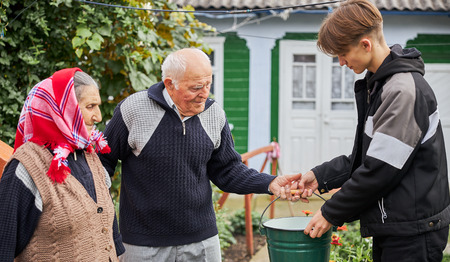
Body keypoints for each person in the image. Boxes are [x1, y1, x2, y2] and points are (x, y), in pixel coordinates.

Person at [99, 47, 302, 261]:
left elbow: (228, 170)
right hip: (142, 245)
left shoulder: (214, 114)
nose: (204, 93)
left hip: (202, 242)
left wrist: (270, 183)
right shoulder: (133, 110)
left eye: (208, 84)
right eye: (196, 87)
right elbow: (102, 162)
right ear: (170, 84)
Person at [296, 0, 450, 261]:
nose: (342, 63)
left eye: (343, 54)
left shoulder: (401, 90)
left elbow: (380, 169)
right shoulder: (380, 85)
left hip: (412, 232)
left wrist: (330, 212)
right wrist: (319, 176)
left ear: (365, 44)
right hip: (397, 226)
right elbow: (366, 159)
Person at [0, 68, 125, 261]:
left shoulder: (90, 155)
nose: (98, 117)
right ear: (64, 109)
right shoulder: (27, 167)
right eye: (90, 106)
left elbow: (110, 233)